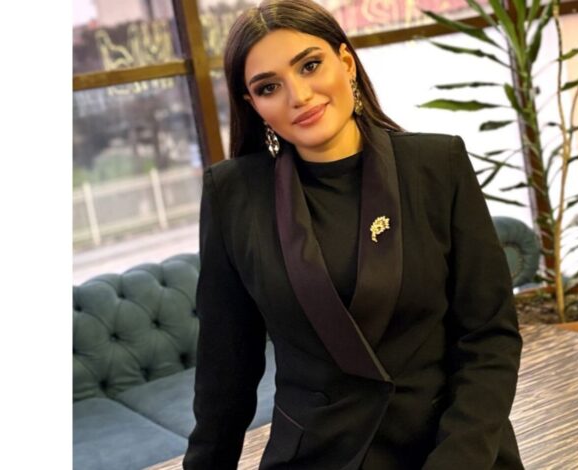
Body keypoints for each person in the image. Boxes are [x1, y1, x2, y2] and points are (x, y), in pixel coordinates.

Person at [183, 0, 523, 468]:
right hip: (318, 455)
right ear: (253, 104)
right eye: (269, 87)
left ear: (345, 62)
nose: (299, 95)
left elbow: (489, 337)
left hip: (451, 449)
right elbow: (226, 369)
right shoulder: (233, 195)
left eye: (310, 66)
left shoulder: (436, 165)